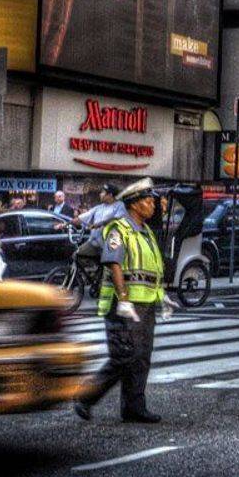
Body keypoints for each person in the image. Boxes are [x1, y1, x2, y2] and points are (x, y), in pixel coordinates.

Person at [74, 179, 166, 423]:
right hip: (122, 305)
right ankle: (86, 395)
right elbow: (113, 262)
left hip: (145, 305)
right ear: (135, 205)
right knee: (124, 356)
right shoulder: (119, 229)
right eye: (148, 201)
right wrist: (123, 299)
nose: (153, 205)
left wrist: (162, 296)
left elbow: (150, 267)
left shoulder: (146, 233)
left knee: (142, 356)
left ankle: (134, 407)